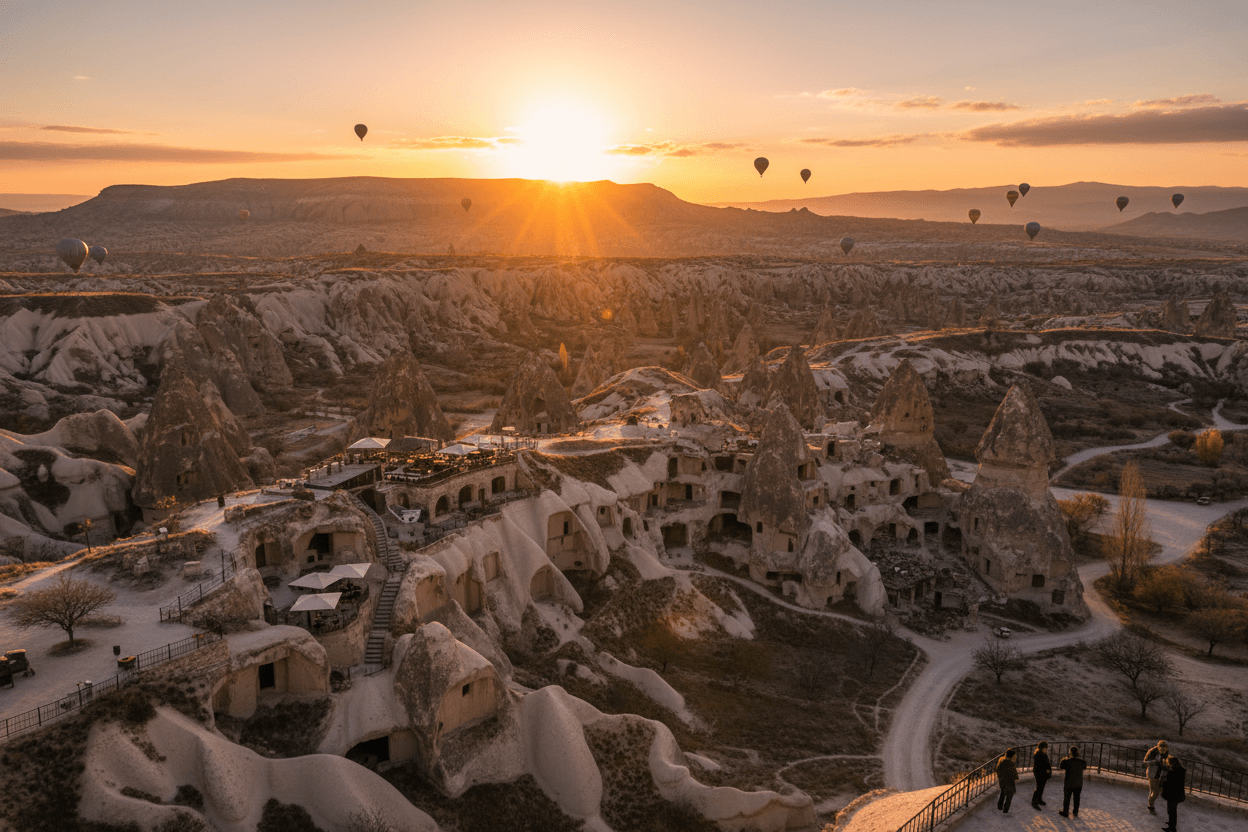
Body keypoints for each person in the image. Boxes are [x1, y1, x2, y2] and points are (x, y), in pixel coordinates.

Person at [1059, 745, 1088, 818]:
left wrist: (1064, 759)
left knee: (1067, 798)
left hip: (1069, 783)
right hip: (1079, 783)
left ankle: (1065, 812)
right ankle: (1075, 812)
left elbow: (1061, 766)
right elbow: (1084, 767)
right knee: (1077, 798)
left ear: (1070, 753)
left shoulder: (1066, 762)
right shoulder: (1082, 762)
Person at [1161, 755, 1186, 832]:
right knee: (1172, 810)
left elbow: (1169, 783)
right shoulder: (1180, 771)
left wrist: (1163, 781)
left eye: (1169, 763)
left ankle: (1172, 828)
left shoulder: (1172, 772)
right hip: (1177, 794)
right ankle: (1171, 823)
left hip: (1172, 794)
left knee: (1171, 811)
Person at [1144, 740, 1169, 814]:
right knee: (1155, 792)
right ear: (1158, 747)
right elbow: (1145, 761)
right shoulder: (1152, 751)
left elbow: (1164, 761)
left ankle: (1150, 804)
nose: (1163, 751)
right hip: (1152, 773)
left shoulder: (1166, 752)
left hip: (1159, 774)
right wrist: (1154, 761)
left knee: (1153, 791)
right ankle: (1150, 806)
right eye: (1161, 749)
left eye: (1164, 749)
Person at [996, 748, 1018, 813]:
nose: (1015, 757)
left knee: (1002, 794)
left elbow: (997, 769)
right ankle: (1005, 810)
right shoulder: (1010, 764)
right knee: (1009, 797)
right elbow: (1014, 776)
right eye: (1014, 756)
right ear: (1011, 756)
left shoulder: (1001, 760)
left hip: (1002, 782)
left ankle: (999, 806)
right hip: (1009, 783)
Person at [1032, 741, 1052, 809]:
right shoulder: (1039, 754)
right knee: (1039, 787)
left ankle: (1039, 799)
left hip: (1043, 773)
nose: (1046, 749)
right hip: (1040, 773)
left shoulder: (1042, 753)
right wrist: (1047, 770)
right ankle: (1034, 801)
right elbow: (1041, 765)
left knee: (1041, 786)